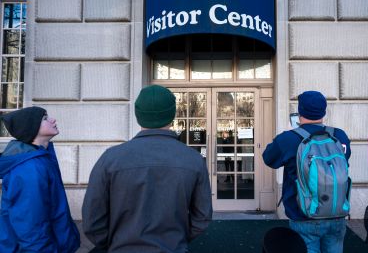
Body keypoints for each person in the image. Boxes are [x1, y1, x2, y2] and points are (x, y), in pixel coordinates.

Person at [82, 85, 212, 253]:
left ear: (138, 116)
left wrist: (114, 243)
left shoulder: (110, 158)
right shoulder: (193, 159)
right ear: (171, 115)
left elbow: (92, 219)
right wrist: (177, 239)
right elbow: (202, 216)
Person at [262, 91, 351, 253]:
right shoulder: (339, 136)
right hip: (337, 212)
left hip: (304, 214)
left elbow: (268, 158)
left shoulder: (288, 138)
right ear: (324, 111)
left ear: (300, 111)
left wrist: (288, 133)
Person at [0, 107, 80, 252]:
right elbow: (31, 227)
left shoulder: (40, 158)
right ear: (31, 128)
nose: (53, 120)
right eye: (44, 118)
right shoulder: (29, 169)